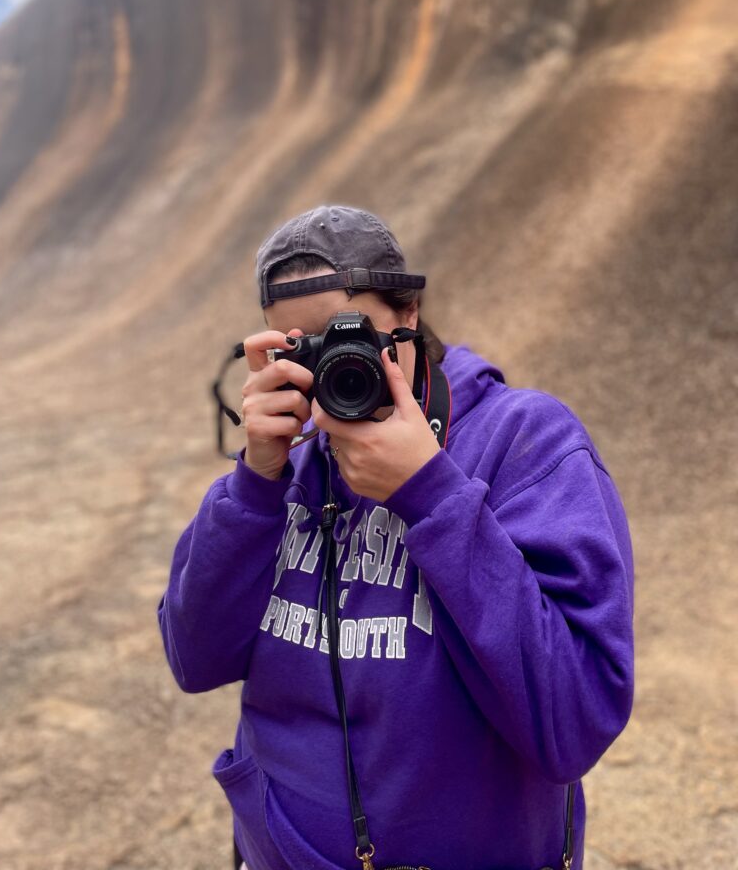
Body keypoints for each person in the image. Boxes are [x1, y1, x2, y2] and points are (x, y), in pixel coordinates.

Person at [157, 204, 634, 870]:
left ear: (408, 314)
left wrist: (429, 493)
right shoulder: (289, 463)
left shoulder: (528, 444)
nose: (331, 368)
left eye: (346, 334)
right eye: (302, 347)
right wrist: (254, 484)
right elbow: (193, 656)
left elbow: (575, 718)